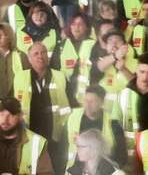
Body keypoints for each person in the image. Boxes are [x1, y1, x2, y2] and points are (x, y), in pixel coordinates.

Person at [13, 43, 70, 172]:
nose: (40, 56)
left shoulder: (60, 76)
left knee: (55, 167)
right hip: (29, 132)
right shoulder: (20, 77)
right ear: (29, 59)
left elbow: (68, 106)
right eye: (36, 54)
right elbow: (15, 105)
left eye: (43, 52)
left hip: (55, 133)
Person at [64, 85, 124, 168]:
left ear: (102, 102)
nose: (88, 105)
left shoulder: (112, 122)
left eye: (92, 101)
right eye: (86, 100)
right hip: (75, 169)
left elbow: (121, 152)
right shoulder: (73, 117)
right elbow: (63, 146)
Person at [113, 56, 148, 161]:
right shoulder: (123, 94)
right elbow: (115, 122)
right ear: (136, 70)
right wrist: (121, 150)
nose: (145, 77)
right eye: (142, 71)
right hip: (131, 154)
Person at [0, 97, 54, 174]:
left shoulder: (36, 142)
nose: (5, 120)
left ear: (20, 116)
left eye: (11, 115)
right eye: (1, 114)